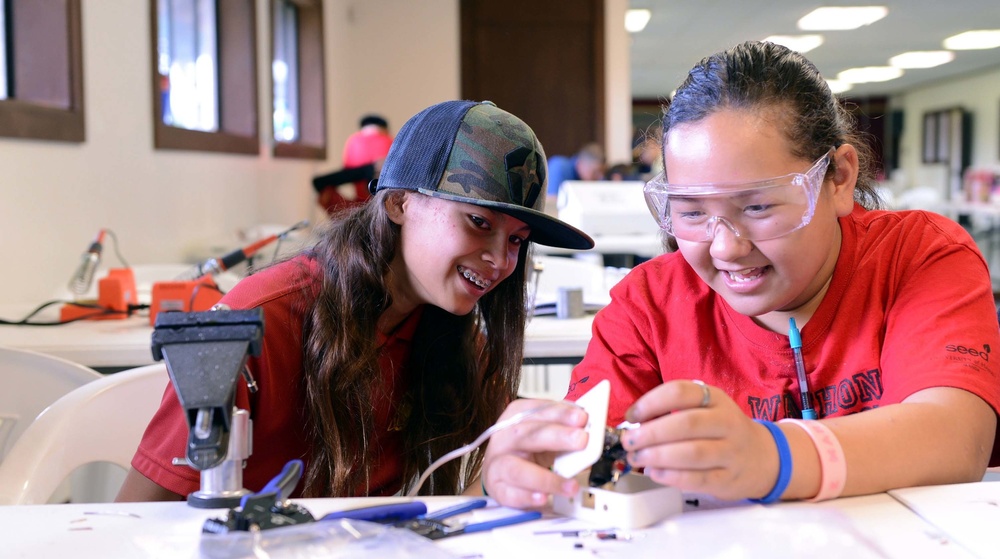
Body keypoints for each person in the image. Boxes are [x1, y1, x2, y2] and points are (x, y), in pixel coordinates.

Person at [481, 40, 1000, 508]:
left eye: (757, 207)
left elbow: (956, 438)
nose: (727, 247)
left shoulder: (918, 256)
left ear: (839, 178)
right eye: (692, 214)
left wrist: (770, 455)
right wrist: (535, 463)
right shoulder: (649, 304)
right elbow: (590, 452)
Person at [116, 100, 594, 501]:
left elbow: (515, 436)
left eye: (517, 240)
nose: (499, 260)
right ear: (399, 203)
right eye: (479, 223)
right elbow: (133, 518)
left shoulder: (443, 327)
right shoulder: (265, 316)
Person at [313, 114, 394, 216]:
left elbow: (347, 170)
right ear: (385, 129)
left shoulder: (353, 140)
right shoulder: (391, 140)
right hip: (381, 197)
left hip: (362, 196)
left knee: (318, 182)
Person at [545, 142, 606, 213]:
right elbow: (553, 203)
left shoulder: (597, 179)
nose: (600, 176)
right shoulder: (559, 167)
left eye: (602, 172)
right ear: (581, 164)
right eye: (595, 172)